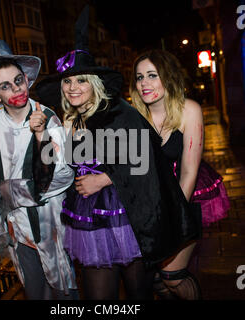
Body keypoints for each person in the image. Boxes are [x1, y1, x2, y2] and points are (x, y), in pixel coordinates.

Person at [33, 6, 201, 300]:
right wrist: (40, 136)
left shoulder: (118, 112)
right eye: (68, 81)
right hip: (87, 221)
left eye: (81, 80)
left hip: (127, 215)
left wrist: (104, 179)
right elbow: (53, 169)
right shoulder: (69, 120)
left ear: (95, 83)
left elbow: (144, 158)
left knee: (140, 294)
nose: (74, 88)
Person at [0, 39, 78, 300]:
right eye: (5, 86)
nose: (16, 89)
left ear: (26, 78)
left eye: (18, 80)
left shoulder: (48, 118)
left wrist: (14, 191)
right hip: (16, 229)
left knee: (62, 293)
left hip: (49, 227)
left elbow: (64, 175)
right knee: (34, 292)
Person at [130, 49, 230, 300]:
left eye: (152, 75)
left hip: (186, 196)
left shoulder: (189, 109)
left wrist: (173, 218)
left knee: (173, 276)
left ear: (168, 77)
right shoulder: (134, 116)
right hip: (150, 201)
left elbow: (188, 171)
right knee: (152, 279)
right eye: (139, 77)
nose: (144, 83)